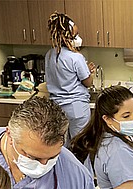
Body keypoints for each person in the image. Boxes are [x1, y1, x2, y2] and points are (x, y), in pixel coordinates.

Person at [45, 12, 97, 145]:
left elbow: (63, 75)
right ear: (66, 36)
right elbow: (88, 82)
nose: (78, 38)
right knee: (81, 145)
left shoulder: (50, 55)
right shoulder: (76, 57)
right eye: (75, 35)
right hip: (76, 107)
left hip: (57, 108)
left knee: (63, 146)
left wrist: (84, 69)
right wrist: (90, 73)